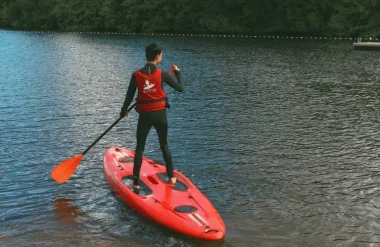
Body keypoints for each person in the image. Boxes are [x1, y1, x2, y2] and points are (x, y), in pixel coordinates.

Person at [120, 43, 184, 190]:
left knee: (140, 147)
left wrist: (124, 111)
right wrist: (178, 73)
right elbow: (180, 88)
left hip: (145, 116)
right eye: (161, 54)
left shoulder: (136, 74)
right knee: (164, 145)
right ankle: (172, 177)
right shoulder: (162, 74)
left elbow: (129, 96)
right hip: (160, 115)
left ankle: (135, 182)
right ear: (157, 56)